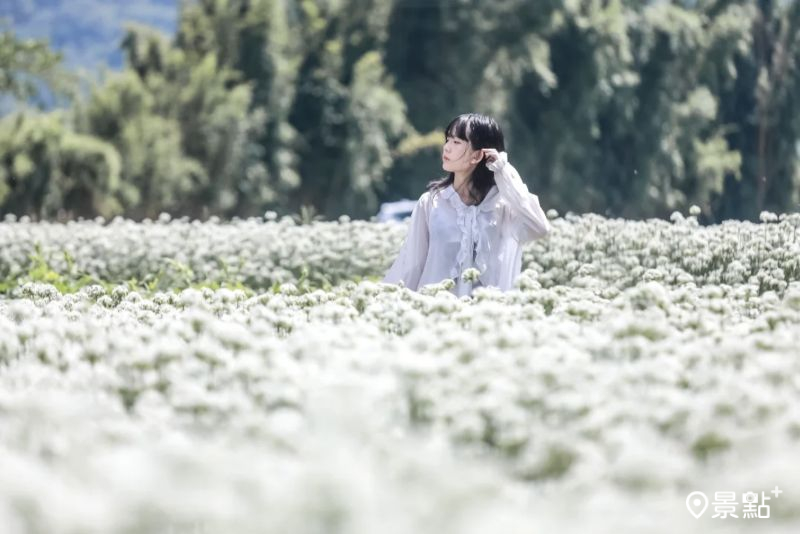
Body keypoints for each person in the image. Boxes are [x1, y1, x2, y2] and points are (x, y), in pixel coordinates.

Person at [382, 113, 551, 298]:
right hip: (434, 315)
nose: (446, 148)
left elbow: (539, 228)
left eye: (457, 142)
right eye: (448, 140)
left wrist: (504, 171)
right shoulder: (431, 203)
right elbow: (413, 264)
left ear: (478, 155)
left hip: (485, 318)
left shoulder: (502, 206)